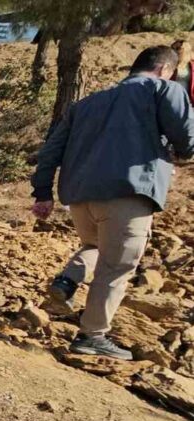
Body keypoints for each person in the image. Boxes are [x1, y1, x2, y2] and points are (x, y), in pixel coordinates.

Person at [32, 45, 194, 360]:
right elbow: (187, 140)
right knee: (117, 265)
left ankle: (67, 281)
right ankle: (92, 336)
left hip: (80, 199)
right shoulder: (164, 89)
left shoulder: (87, 103)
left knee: (95, 245)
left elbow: (51, 150)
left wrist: (42, 193)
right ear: (165, 70)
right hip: (127, 193)